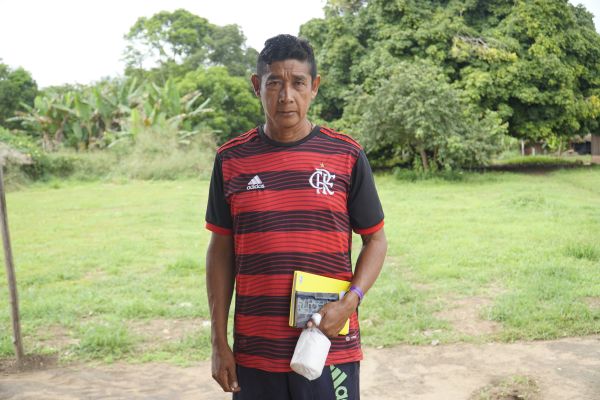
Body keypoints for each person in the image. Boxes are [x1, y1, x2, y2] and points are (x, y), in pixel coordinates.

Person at [205, 34, 387, 400]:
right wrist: (218, 341)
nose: (286, 96)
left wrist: (350, 302)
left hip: (328, 346)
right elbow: (220, 251)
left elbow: (376, 239)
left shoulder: (346, 155)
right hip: (255, 353)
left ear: (314, 86)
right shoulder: (231, 160)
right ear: (257, 86)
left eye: (298, 83)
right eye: (274, 83)